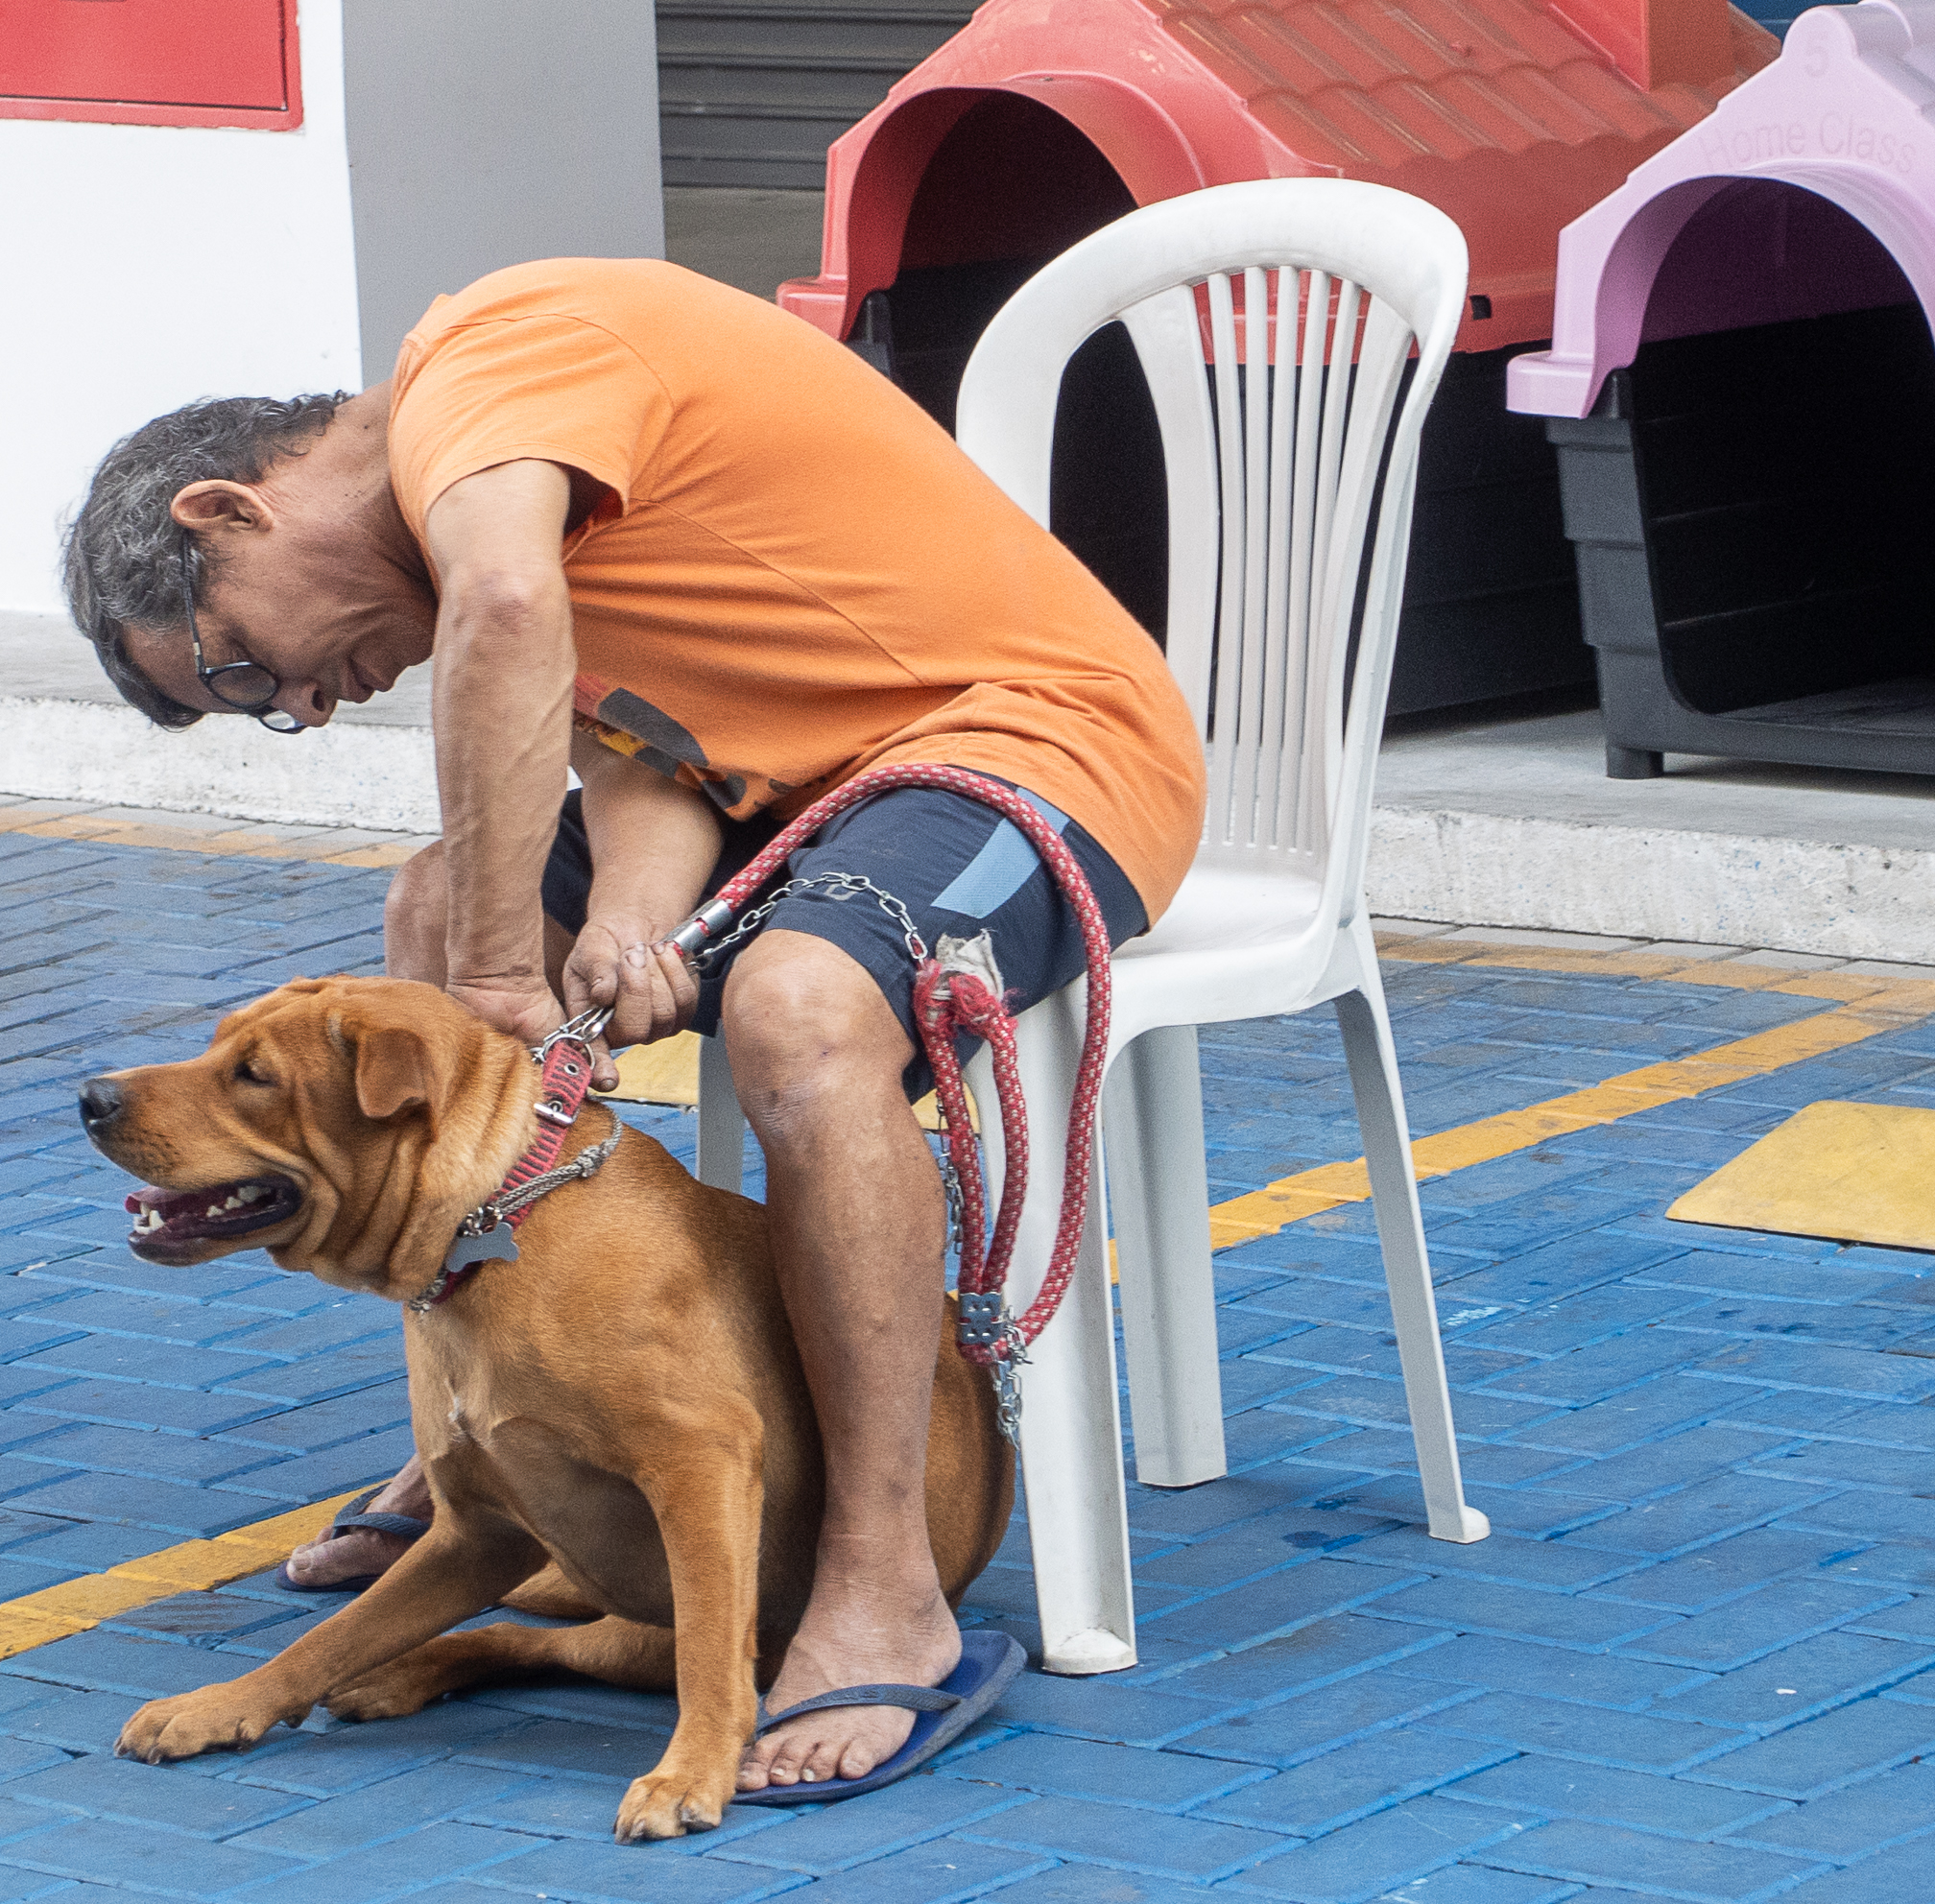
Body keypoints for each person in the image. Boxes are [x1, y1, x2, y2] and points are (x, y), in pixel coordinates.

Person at [60, 258, 1204, 1797]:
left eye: (245, 668)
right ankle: (477, 1457)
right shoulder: (505, 504)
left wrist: (502, 991)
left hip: (1027, 736)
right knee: (425, 918)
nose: (307, 709)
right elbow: (647, 749)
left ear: (227, 512)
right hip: (783, 790)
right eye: (261, 708)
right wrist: (620, 920)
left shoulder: (487, 360)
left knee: (799, 1004)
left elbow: (514, 613)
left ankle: (884, 1585)